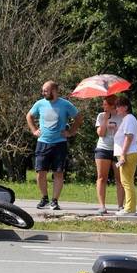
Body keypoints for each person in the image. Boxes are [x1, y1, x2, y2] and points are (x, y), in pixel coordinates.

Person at [26, 81, 83, 211]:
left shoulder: (65, 104)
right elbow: (29, 116)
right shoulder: (39, 104)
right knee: (41, 172)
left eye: (46, 91)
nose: (43, 93)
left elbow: (79, 118)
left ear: (54, 91)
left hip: (59, 144)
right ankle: (44, 198)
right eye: (43, 90)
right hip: (43, 143)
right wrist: (34, 130)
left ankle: (54, 201)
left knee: (58, 172)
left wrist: (71, 132)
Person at [94, 95, 124, 215]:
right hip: (103, 149)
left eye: (105, 105)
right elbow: (100, 134)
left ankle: (120, 206)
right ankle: (102, 206)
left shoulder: (121, 116)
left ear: (113, 106)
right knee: (102, 177)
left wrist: (116, 129)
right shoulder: (101, 116)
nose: (103, 106)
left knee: (120, 179)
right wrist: (106, 119)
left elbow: (125, 133)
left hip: (118, 150)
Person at [113, 96, 137, 215]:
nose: (116, 108)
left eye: (118, 106)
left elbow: (129, 137)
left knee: (126, 182)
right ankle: (130, 207)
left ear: (125, 107)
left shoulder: (129, 118)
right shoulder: (127, 119)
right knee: (127, 181)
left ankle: (130, 209)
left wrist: (123, 154)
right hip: (129, 153)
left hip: (128, 154)